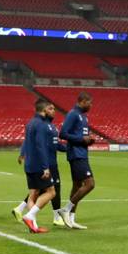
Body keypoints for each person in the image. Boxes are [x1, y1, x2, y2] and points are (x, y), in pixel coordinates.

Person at [20, 99, 64, 234]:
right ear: (44, 110)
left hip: (29, 164)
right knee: (51, 192)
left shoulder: (30, 124)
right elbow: (41, 146)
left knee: (33, 194)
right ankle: (29, 216)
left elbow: (27, 143)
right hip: (39, 165)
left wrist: (22, 154)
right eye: (49, 109)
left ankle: (33, 225)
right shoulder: (41, 125)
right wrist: (45, 167)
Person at [57, 92, 95, 230]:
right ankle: (65, 209)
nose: (91, 106)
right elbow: (62, 133)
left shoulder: (84, 117)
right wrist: (81, 140)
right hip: (76, 155)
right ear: (83, 101)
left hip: (82, 153)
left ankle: (71, 219)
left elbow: (81, 136)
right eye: (90, 103)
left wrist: (89, 140)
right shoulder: (73, 114)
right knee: (90, 184)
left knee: (77, 186)